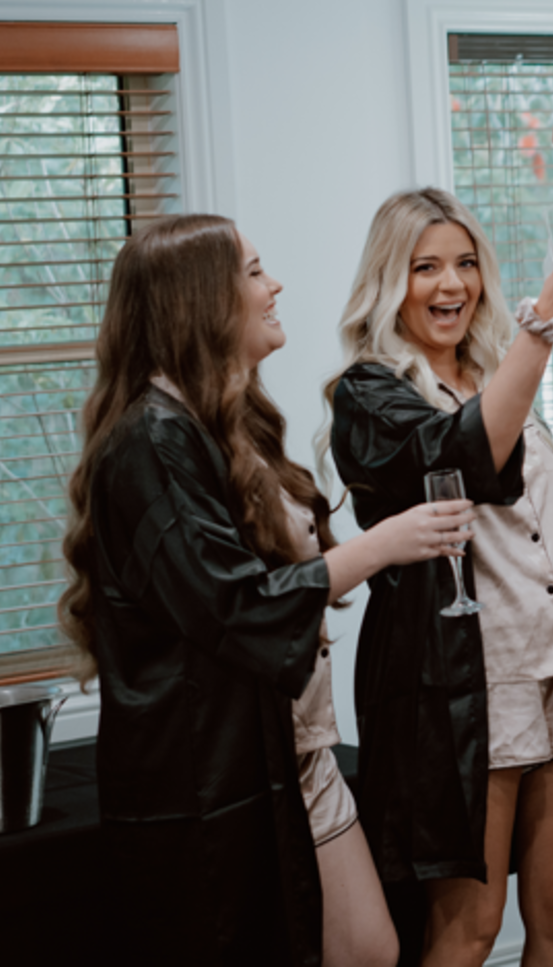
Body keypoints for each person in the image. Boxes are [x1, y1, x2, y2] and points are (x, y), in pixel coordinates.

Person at [60, 214, 477, 967]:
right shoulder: (150, 443)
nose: (274, 285)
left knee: (370, 948)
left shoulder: (223, 421)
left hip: (300, 747)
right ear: (199, 300)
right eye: (254, 272)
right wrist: (385, 546)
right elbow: (236, 603)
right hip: (222, 770)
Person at [324, 188, 553, 967]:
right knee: (471, 927)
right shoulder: (368, 395)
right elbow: (465, 461)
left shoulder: (493, 373)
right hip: (469, 688)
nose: (451, 285)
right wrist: (540, 330)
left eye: (465, 264)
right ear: (391, 281)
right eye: (426, 267)